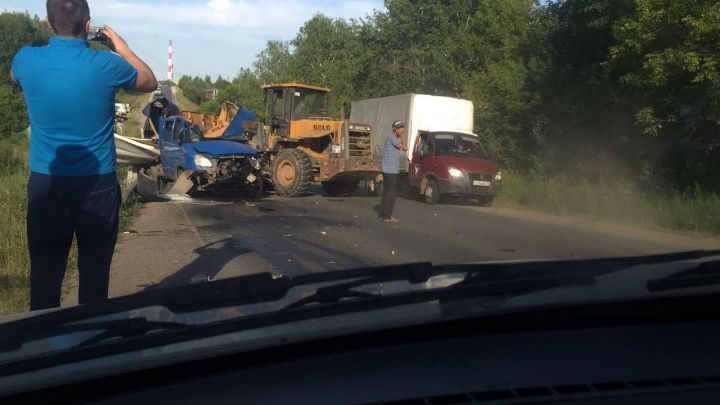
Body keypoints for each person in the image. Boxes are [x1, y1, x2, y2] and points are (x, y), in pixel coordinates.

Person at [11, 0, 158, 310]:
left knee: (45, 278)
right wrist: (121, 46)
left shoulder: (25, 60)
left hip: (46, 185)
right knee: (94, 278)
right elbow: (149, 80)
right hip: (98, 187)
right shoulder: (107, 65)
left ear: (47, 22)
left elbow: (16, 80)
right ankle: (90, 343)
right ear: (88, 24)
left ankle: (45, 347)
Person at [379, 120, 408, 223]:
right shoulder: (392, 138)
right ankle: (387, 216)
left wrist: (400, 135)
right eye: (400, 128)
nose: (402, 130)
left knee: (387, 192)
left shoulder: (392, 138)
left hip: (389, 170)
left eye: (402, 127)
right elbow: (405, 147)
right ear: (395, 129)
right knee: (391, 193)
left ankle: (384, 215)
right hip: (390, 170)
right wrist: (402, 136)